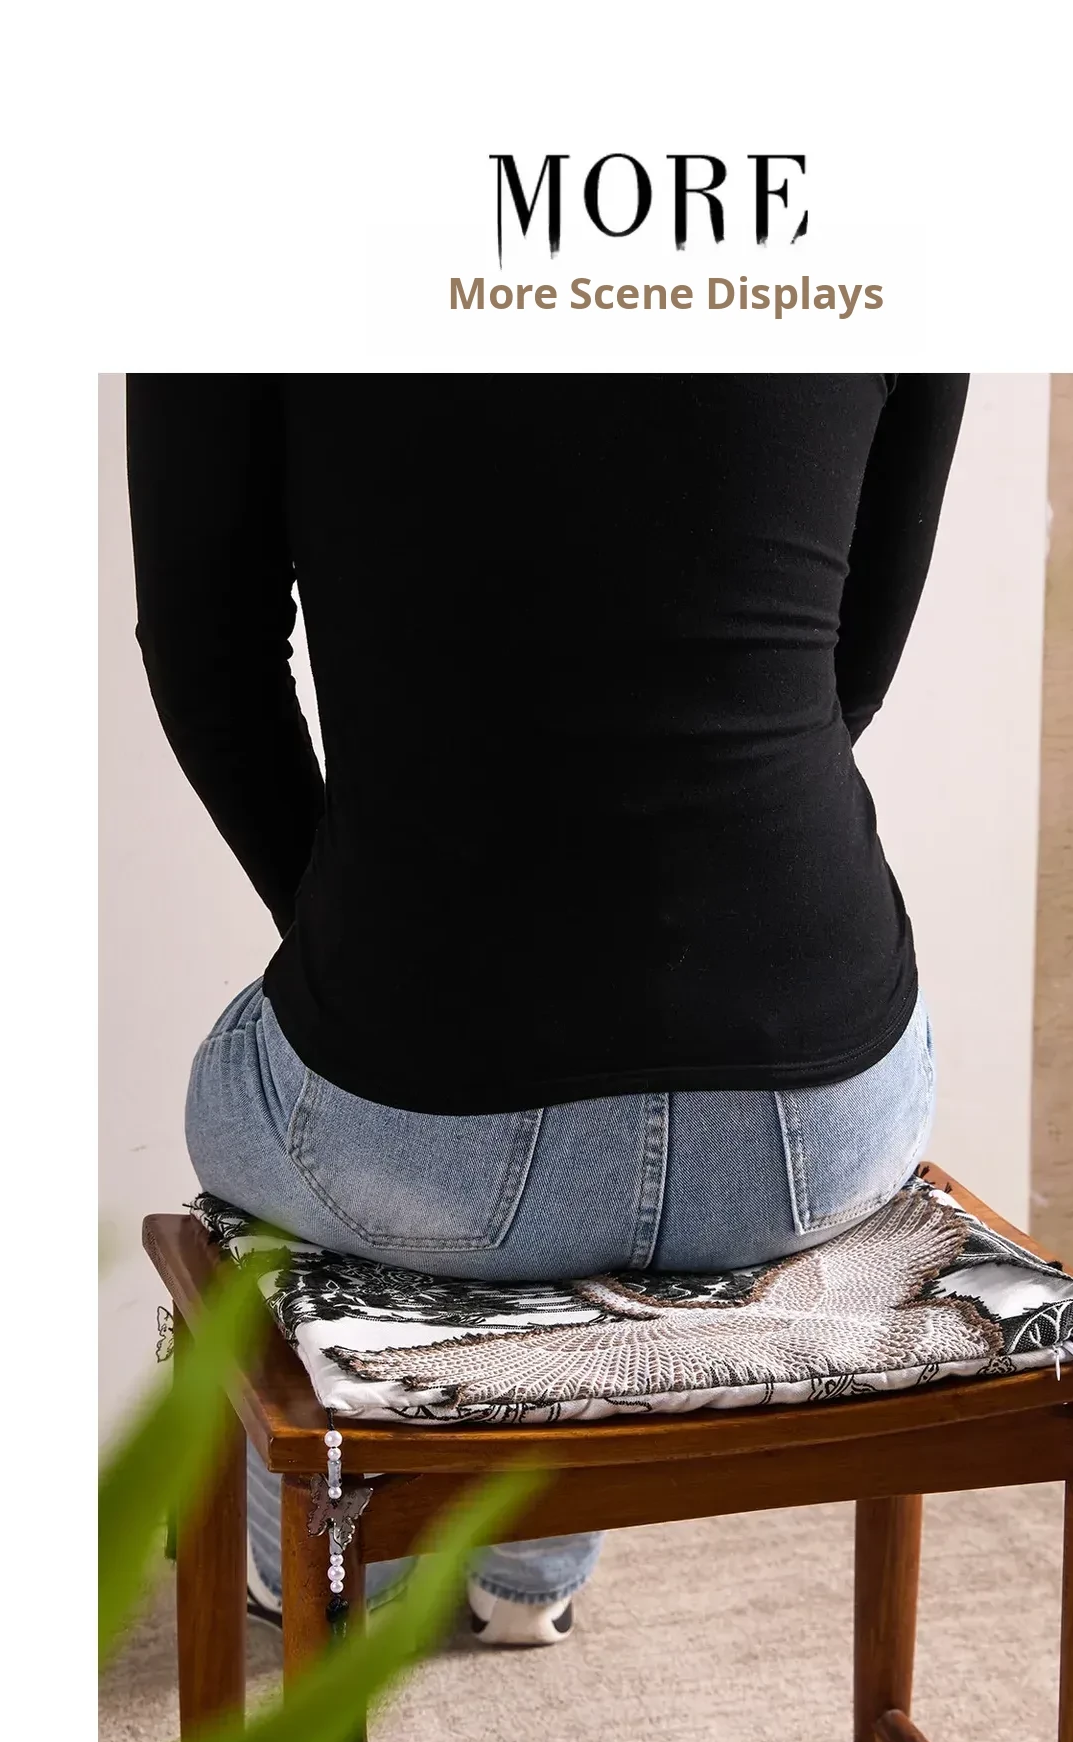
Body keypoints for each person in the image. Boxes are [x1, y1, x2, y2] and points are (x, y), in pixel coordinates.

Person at [126, 371, 969, 1645]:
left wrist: (375, 938)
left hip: (422, 1133)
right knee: (573, 1123)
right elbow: (856, 649)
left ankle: (330, 1565)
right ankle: (527, 1570)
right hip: (822, 1119)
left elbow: (207, 653)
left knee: (258, 1090)